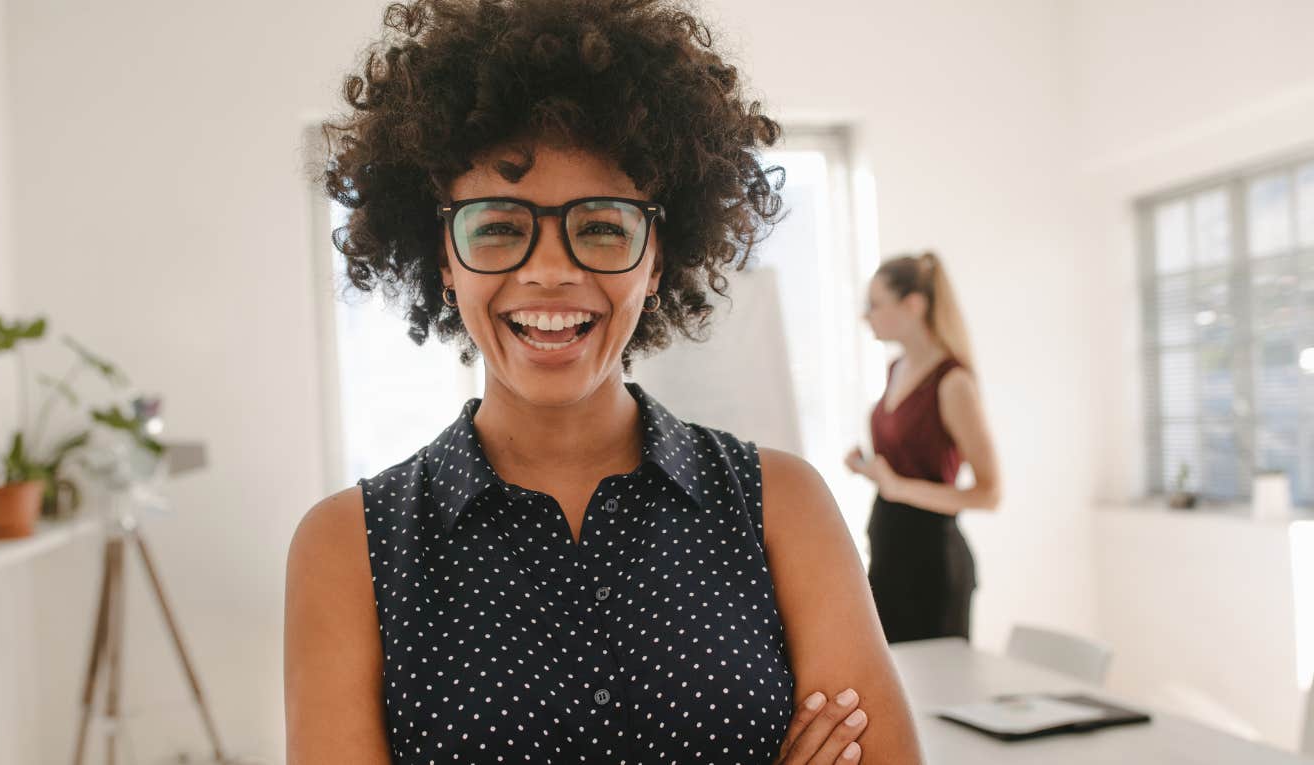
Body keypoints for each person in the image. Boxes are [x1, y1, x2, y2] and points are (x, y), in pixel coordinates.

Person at [285, 1, 923, 763]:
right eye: (497, 225)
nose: (551, 270)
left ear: (657, 259)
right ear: (445, 261)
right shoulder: (346, 549)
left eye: (601, 226)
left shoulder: (784, 509)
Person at [845, 252, 1002, 644]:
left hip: (933, 566)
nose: (867, 316)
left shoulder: (953, 383)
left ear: (913, 305)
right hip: (889, 555)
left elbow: (990, 494)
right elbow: (905, 468)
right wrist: (870, 470)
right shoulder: (895, 369)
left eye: (874, 305)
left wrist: (898, 487)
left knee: (934, 691)